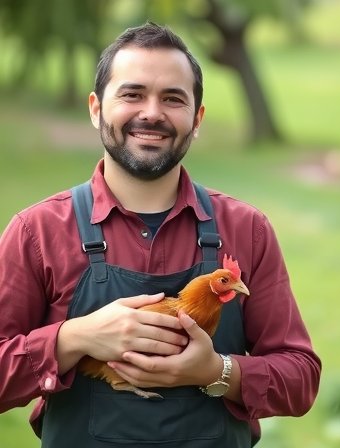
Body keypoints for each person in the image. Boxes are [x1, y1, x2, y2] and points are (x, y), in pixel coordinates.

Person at [0, 22, 321, 448]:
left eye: (173, 98)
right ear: (96, 108)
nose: (152, 113)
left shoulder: (247, 230)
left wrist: (217, 372)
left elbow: (301, 378)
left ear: (197, 118)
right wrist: (74, 338)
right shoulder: (37, 231)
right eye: (132, 94)